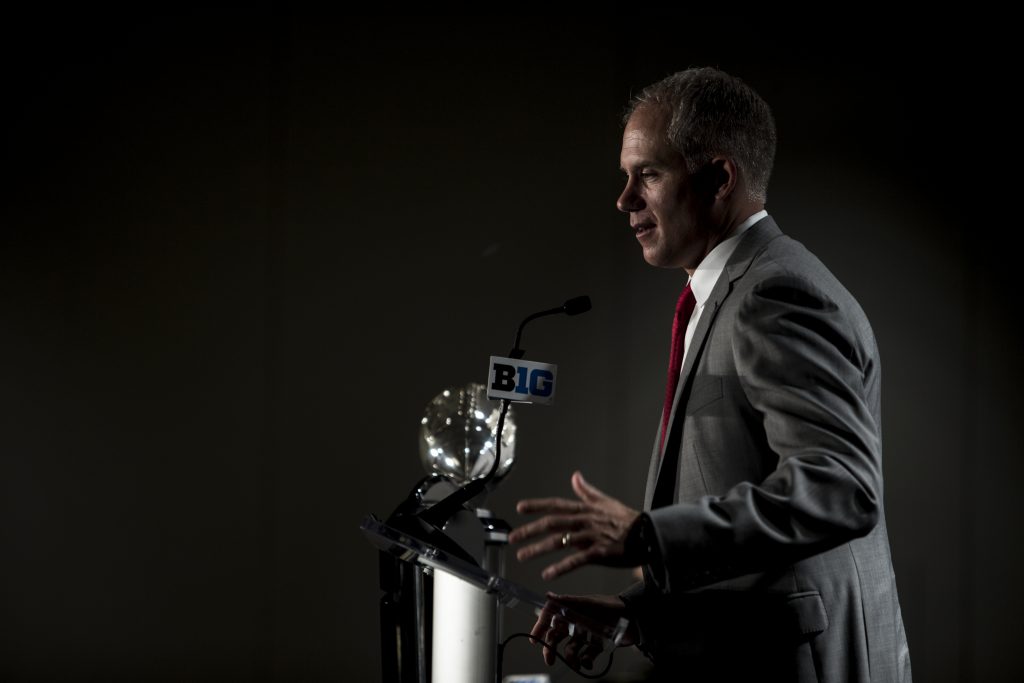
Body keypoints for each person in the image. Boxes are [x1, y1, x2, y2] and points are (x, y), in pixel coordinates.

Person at [508, 67, 912, 681]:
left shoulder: (776, 292)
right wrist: (637, 613)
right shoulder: (722, 292)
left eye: (648, 174)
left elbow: (841, 488)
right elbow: (747, 522)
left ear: (719, 177)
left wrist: (648, 538)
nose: (625, 200)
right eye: (625, 177)